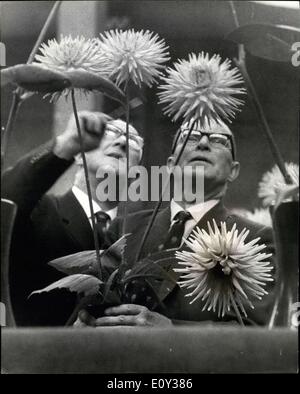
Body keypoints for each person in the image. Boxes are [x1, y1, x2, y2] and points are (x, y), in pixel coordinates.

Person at [75, 118, 276, 328]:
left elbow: (254, 330)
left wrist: (172, 332)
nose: (203, 143)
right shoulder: (123, 228)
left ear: (233, 170)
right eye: (191, 137)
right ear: (171, 165)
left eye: (218, 140)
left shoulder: (257, 239)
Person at [1, 111, 144, 325]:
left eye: (132, 140)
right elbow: (6, 199)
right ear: (79, 155)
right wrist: (67, 143)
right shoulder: (40, 210)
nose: (122, 140)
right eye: (111, 131)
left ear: (135, 176)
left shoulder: (141, 234)